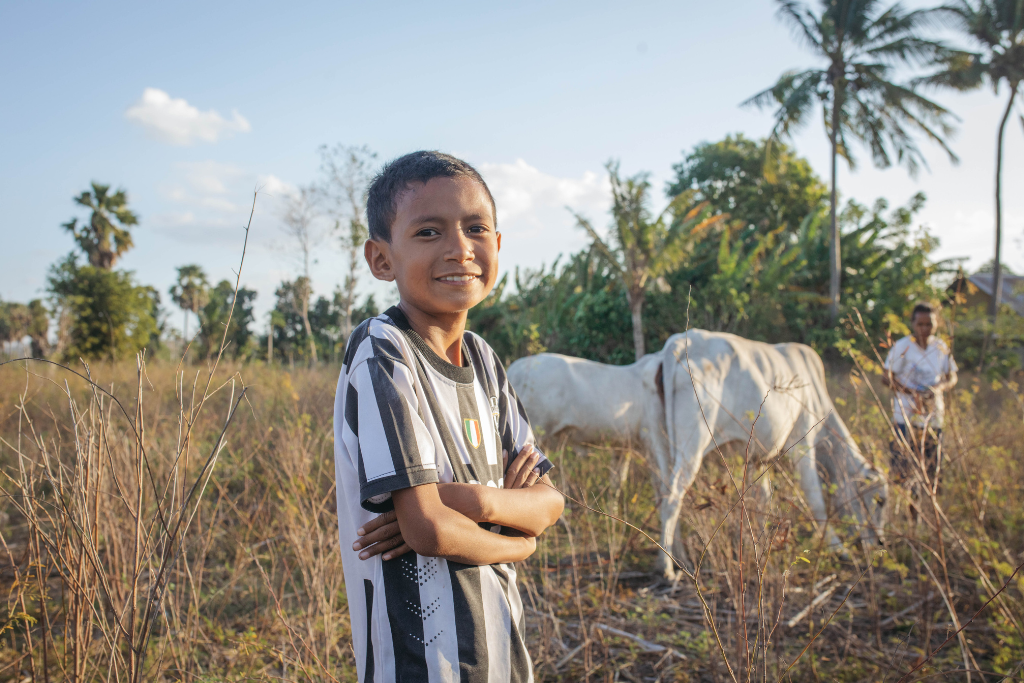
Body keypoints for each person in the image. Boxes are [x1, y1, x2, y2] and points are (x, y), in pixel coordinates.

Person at [333, 151, 565, 682]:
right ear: (381, 259)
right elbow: (428, 531)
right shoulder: (382, 351)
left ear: (498, 245)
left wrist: (465, 499)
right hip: (421, 664)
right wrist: (517, 541)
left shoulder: (483, 359)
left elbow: (549, 502)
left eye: (476, 228)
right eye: (429, 232)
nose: (460, 249)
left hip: (499, 652)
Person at [881, 302, 958, 495]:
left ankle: (928, 507)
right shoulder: (902, 347)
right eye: (920, 324)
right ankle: (904, 508)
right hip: (905, 415)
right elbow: (886, 377)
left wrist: (938, 389)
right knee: (902, 466)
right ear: (913, 324)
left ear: (936, 324)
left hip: (932, 417)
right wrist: (910, 393)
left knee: (931, 467)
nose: (924, 329)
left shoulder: (940, 347)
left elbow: (952, 376)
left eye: (929, 324)